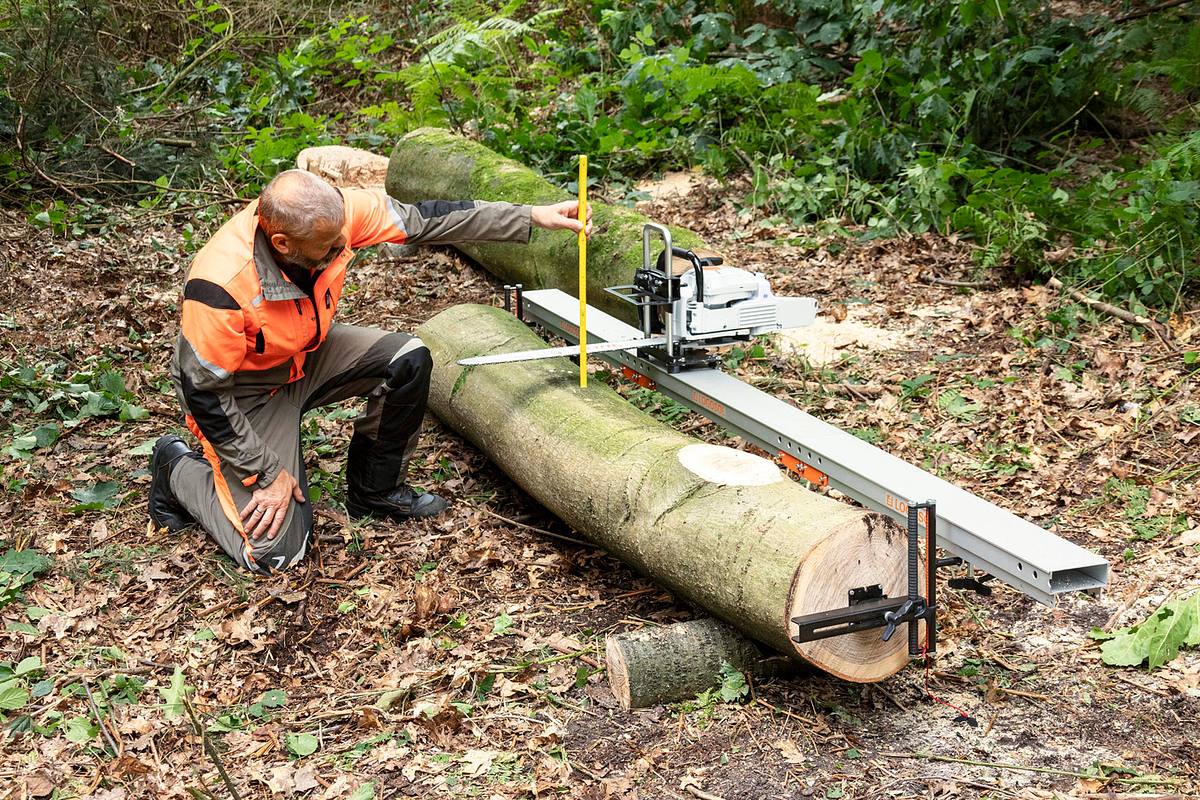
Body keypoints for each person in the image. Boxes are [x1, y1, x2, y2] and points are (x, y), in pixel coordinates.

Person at [147, 169, 590, 574]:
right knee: (275, 553)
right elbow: (205, 393)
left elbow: (425, 220)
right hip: (240, 396)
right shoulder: (220, 285)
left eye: (343, 236)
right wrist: (265, 472)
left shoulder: (335, 215)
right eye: (330, 247)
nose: (345, 247)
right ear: (282, 243)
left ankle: (374, 492)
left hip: (304, 356)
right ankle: (176, 469)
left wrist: (530, 216)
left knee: (407, 358)